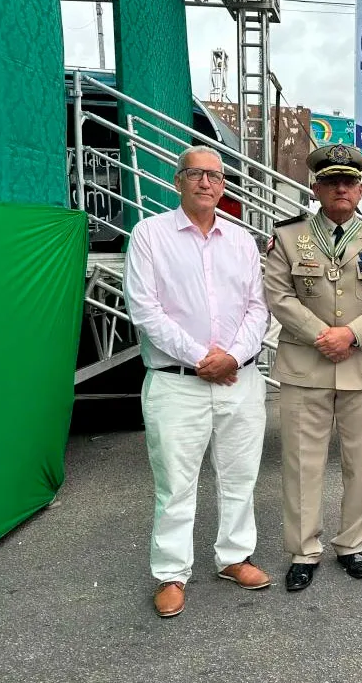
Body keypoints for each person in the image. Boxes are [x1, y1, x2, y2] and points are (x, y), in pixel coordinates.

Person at [124, 145, 271, 618]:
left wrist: (232, 357)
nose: (206, 182)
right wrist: (203, 358)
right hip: (176, 382)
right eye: (195, 174)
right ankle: (170, 572)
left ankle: (234, 557)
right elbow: (145, 309)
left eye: (215, 175)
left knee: (240, 476)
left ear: (224, 184)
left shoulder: (242, 241)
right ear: (178, 180)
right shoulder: (149, 234)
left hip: (240, 381)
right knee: (175, 483)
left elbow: (258, 308)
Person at [263, 144, 362, 591]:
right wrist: (322, 334)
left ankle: (351, 545)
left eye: (349, 182)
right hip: (307, 363)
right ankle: (304, 550)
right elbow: (278, 295)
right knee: (302, 462)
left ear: (361, 190)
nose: (341, 188)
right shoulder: (287, 236)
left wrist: (351, 334)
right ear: (316, 187)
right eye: (332, 181)